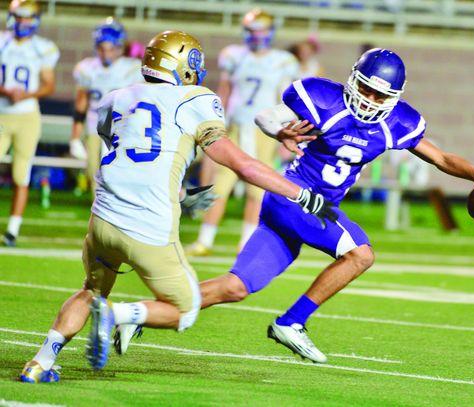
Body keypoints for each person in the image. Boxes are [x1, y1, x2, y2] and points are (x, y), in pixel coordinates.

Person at [19, 30, 335, 383]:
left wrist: (182, 194)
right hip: (148, 227)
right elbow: (243, 166)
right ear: (187, 65)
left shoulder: (114, 99)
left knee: (90, 289)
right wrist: (300, 194)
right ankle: (113, 314)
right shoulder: (195, 99)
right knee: (184, 310)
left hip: (102, 220)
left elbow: (132, 161)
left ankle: (39, 363)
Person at [187, 48, 474, 363]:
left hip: (301, 209)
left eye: (380, 96)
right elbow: (266, 116)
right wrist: (279, 131)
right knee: (361, 253)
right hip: (295, 196)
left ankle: (141, 312)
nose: (370, 100)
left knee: (235, 287)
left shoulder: (397, 122)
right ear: (354, 80)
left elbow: (441, 157)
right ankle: (291, 322)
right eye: (367, 90)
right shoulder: (324, 98)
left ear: (395, 98)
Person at [187, 8, 299, 255]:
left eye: (259, 31)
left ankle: (247, 242)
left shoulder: (283, 61)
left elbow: (286, 101)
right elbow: (224, 92)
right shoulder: (234, 55)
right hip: (235, 127)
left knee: (258, 187)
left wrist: (285, 135)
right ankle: (205, 240)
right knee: (219, 185)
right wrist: (214, 124)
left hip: (266, 131)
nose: (255, 36)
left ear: (270, 32)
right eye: (251, 31)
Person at [0, 0, 59, 247]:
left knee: (21, 174)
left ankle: (13, 229)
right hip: (2, 113)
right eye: (20, 17)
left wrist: (26, 94)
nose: (23, 22)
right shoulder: (2, 41)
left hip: (27, 116)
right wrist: (4, 90)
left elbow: (48, 84)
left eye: (28, 18)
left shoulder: (43, 48)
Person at [69, 17, 143, 196]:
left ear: (119, 47)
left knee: (123, 175)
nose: (106, 53)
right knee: (95, 175)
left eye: (111, 48)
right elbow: (81, 105)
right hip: (95, 127)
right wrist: (75, 138)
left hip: (123, 129)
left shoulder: (132, 68)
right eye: (102, 48)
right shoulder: (87, 68)